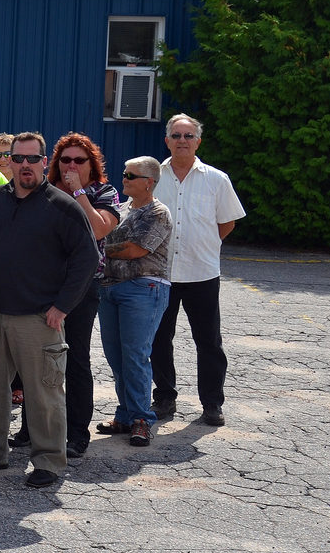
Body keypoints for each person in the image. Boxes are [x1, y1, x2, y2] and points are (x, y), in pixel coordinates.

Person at [0, 132, 99, 488]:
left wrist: (62, 306)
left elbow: (87, 258)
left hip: (39, 318)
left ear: (43, 162)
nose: (24, 166)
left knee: (44, 394)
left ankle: (49, 462)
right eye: (17, 159)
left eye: (32, 159)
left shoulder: (61, 206)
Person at [150, 114, 246, 427]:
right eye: (176, 136)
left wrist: (203, 246)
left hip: (202, 273)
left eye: (188, 136)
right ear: (167, 141)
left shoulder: (216, 179)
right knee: (158, 339)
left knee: (208, 342)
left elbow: (227, 222)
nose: (182, 141)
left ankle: (212, 404)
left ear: (198, 141)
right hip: (160, 273)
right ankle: (164, 397)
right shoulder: (152, 176)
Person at [38, 132, 120, 458]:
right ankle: (35, 429)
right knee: (37, 358)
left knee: (76, 359)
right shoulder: (45, 192)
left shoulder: (104, 192)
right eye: (65, 160)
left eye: (79, 160)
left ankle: (76, 433)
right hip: (43, 284)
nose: (71, 165)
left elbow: (99, 229)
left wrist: (80, 193)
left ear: (91, 164)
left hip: (83, 286)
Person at [96, 157, 174, 448]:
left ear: (149, 182)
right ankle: (125, 415)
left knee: (135, 355)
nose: (124, 178)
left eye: (131, 175)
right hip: (110, 289)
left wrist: (101, 249)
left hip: (143, 288)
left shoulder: (158, 212)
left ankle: (142, 420)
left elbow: (134, 250)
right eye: (125, 173)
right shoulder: (121, 210)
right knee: (116, 357)